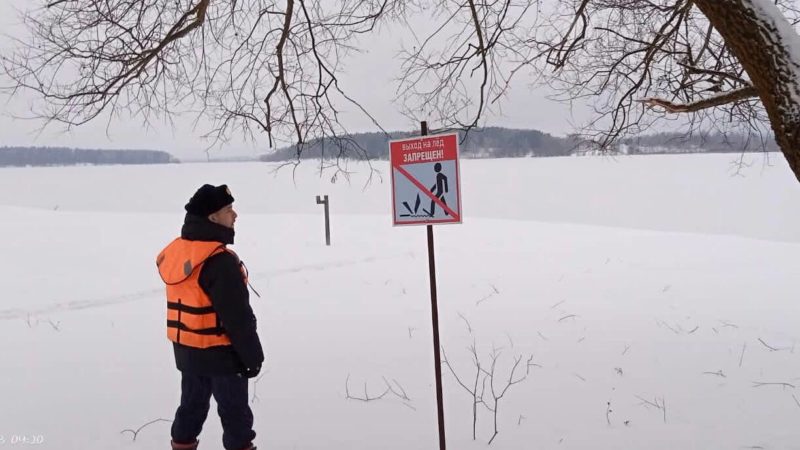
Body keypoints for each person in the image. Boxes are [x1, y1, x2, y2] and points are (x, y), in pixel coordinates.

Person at [156, 184, 264, 450]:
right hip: (223, 355)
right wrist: (253, 357)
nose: (235, 215)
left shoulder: (179, 252)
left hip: (188, 351)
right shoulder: (219, 261)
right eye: (228, 210)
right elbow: (238, 319)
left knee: (191, 408)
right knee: (236, 419)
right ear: (213, 218)